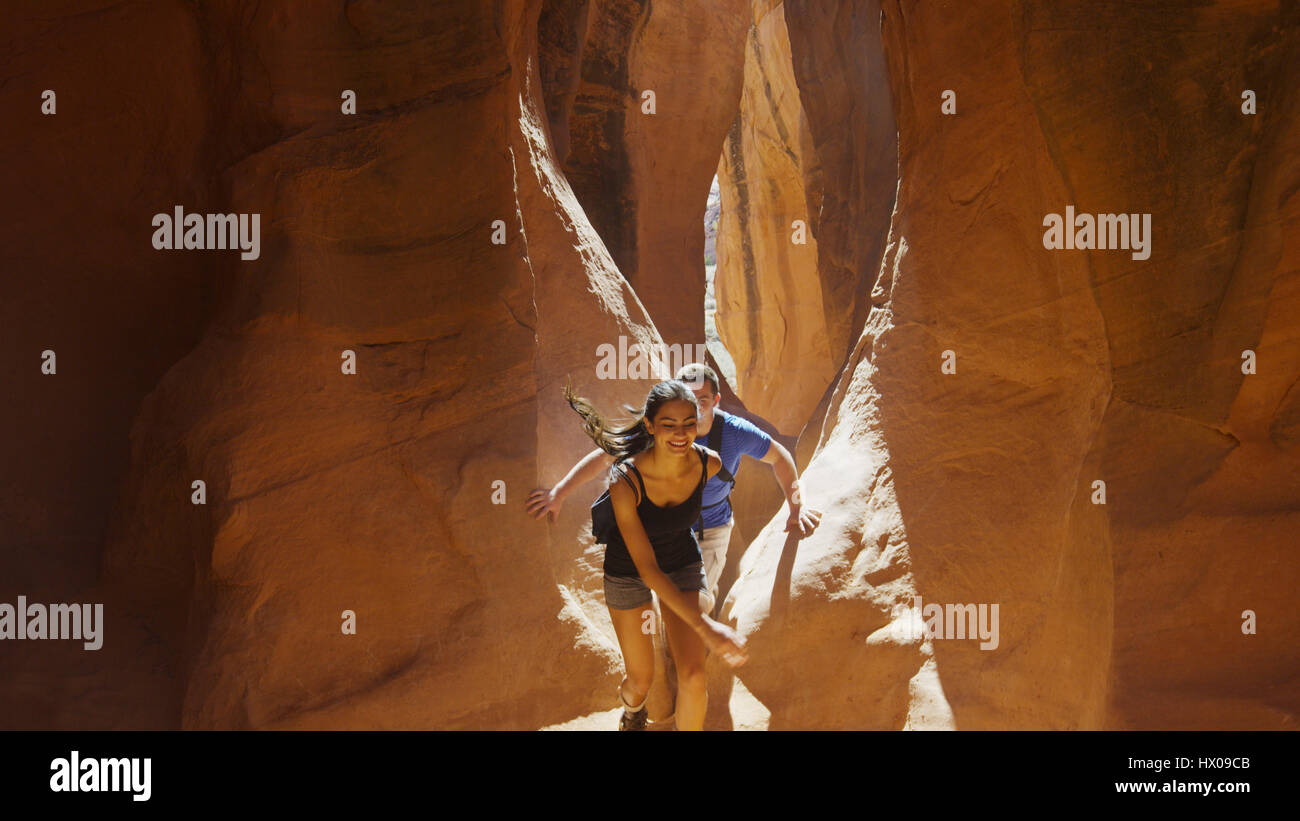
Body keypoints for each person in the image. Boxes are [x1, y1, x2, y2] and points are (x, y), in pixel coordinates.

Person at [530, 363, 821, 612]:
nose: (693, 406)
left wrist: (797, 507)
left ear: (717, 400)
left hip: (711, 530)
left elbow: (779, 457)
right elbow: (607, 454)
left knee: (694, 605)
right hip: (664, 529)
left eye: (702, 400)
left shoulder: (733, 432)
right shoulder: (662, 426)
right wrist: (559, 493)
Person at [562, 378, 748, 731]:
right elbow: (647, 569)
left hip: (680, 560)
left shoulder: (707, 464)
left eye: (689, 423)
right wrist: (705, 625)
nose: (681, 434)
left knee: (693, 675)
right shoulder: (625, 479)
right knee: (640, 680)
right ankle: (633, 712)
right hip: (629, 569)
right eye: (669, 424)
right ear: (650, 425)